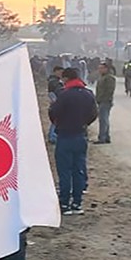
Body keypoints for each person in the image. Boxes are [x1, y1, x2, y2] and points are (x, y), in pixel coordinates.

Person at [49, 68, 98, 215]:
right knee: (79, 170)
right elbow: (93, 114)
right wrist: (84, 123)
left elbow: (53, 112)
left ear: (66, 79)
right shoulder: (88, 94)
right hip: (81, 135)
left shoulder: (64, 95)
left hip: (65, 135)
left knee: (65, 171)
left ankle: (64, 203)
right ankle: (77, 203)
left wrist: (59, 123)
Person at [94, 62, 116, 144]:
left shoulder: (109, 78)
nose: (100, 70)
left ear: (106, 69)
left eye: (101, 68)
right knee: (104, 119)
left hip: (105, 101)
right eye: (99, 68)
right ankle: (106, 137)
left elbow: (109, 90)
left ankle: (102, 138)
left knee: (103, 120)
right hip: (101, 101)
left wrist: (103, 99)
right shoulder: (102, 77)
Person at [46, 66, 64, 144]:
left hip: (56, 101)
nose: (61, 74)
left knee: (56, 119)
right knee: (56, 120)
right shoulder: (54, 81)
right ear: (55, 71)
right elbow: (54, 92)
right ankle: (52, 137)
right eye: (60, 72)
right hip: (56, 101)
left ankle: (52, 136)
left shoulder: (55, 80)